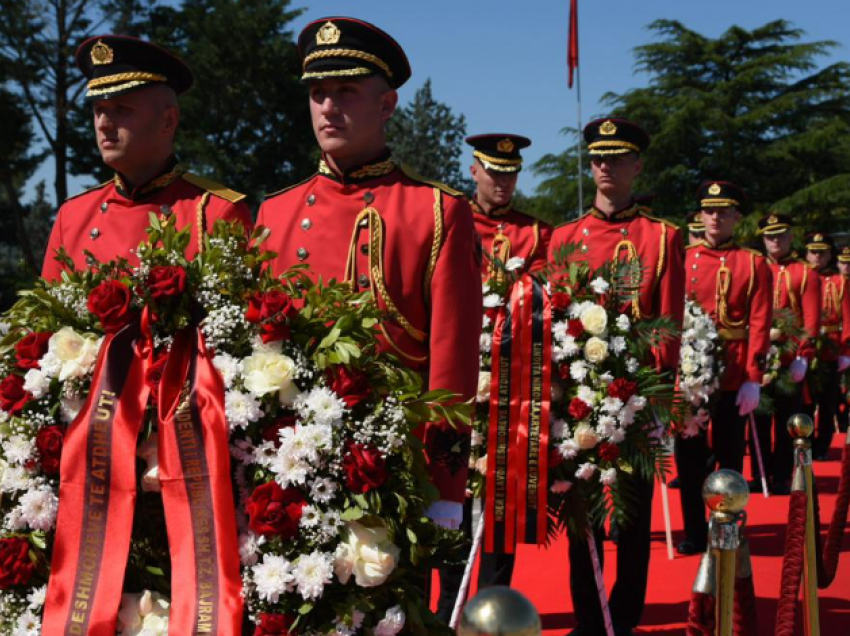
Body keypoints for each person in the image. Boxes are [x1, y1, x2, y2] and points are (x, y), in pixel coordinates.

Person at [256, 15, 481, 541]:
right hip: (287, 468)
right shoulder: (275, 212)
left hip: (392, 471)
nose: (328, 107)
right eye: (318, 92)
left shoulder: (437, 210)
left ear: (386, 105)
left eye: (346, 91)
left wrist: (445, 491)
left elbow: (453, 363)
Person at [548, 118, 685, 636]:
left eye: (617, 158)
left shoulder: (662, 236)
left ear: (636, 166)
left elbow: (668, 326)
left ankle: (624, 619)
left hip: (636, 401)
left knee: (630, 522)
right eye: (598, 158)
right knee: (583, 520)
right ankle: (588, 619)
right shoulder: (565, 237)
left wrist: (660, 409)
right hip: (581, 406)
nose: (605, 166)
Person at [434, 134, 552, 621]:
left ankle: (492, 607)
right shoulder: (452, 221)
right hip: (457, 378)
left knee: (502, 494)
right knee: (451, 492)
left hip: (512, 384)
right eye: (494, 172)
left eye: (511, 174)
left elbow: (546, 301)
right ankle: (448, 605)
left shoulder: (537, 233)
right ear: (474, 171)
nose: (502, 182)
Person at [42, 35, 251, 280]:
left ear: (168, 120)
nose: (104, 124)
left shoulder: (216, 212)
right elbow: (47, 316)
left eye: (122, 109)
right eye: (99, 110)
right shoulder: (73, 215)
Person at [676, 181, 773, 554]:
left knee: (731, 454)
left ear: (736, 217)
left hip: (734, 370)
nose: (716, 218)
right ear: (700, 216)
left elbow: (760, 320)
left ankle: (729, 525)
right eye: (709, 211)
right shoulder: (683, 257)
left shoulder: (753, 262)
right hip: (691, 373)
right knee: (689, 455)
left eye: (724, 211)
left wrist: (754, 376)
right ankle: (694, 531)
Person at [752, 214, 820, 494]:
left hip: (790, 358)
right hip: (760, 356)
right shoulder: (755, 267)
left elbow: (811, 319)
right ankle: (760, 475)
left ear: (790, 236)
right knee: (758, 420)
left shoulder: (805, 273)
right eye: (770, 236)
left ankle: (781, 475)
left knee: (786, 423)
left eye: (780, 235)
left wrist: (804, 355)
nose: (775, 241)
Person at [804, 233, 850, 459]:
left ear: (830, 255)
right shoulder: (802, 276)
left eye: (822, 252)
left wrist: (846, 351)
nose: (817, 256)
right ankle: (805, 440)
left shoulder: (840, 282)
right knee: (805, 399)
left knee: (827, 400)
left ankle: (823, 445)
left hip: (831, 347)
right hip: (805, 347)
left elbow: (848, 317)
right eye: (813, 251)